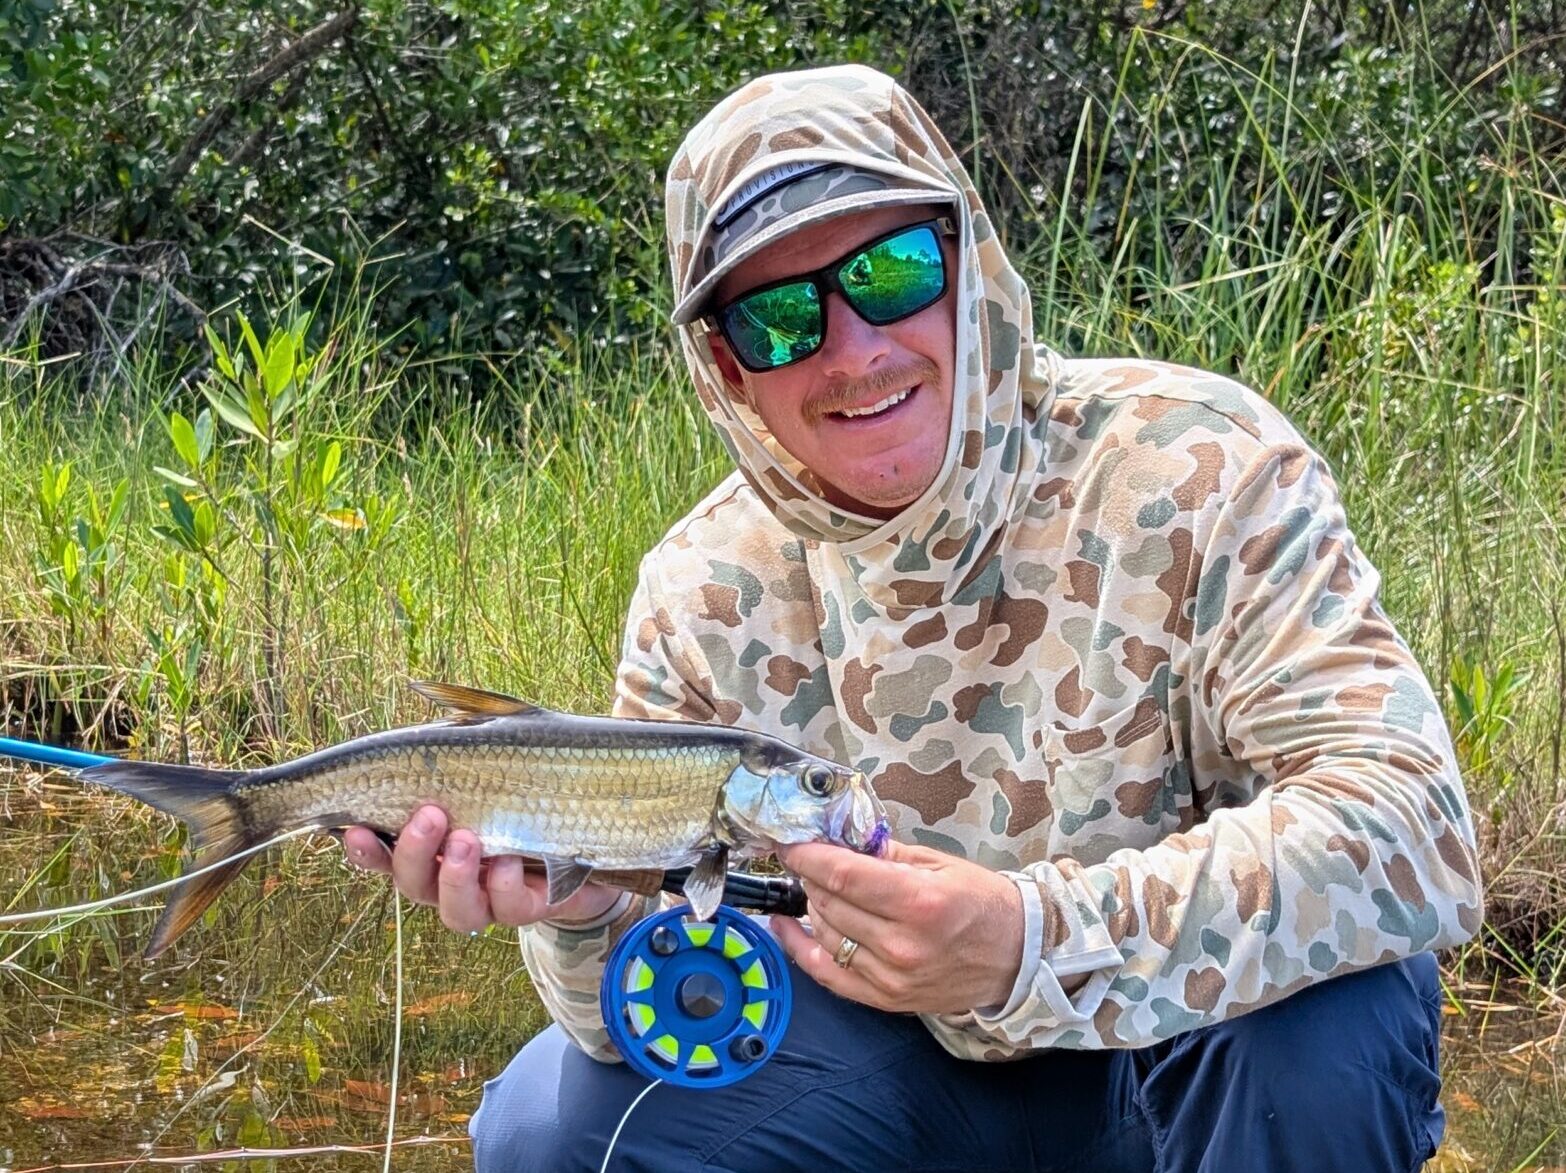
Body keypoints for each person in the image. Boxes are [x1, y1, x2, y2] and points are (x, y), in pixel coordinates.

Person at [345, 65, 1483, 1171]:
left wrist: (1027, 942)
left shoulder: (1201, 467)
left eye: (890, 273)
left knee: (1326, 1040)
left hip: (1193, 1064)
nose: (855, 349)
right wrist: (581, 905)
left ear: (967, 261)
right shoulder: (699, 592)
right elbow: (637, 1015)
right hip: (896, 1093)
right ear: (726, 371)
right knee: (559, 1125)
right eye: (779, 317)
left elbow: (1412, 825)